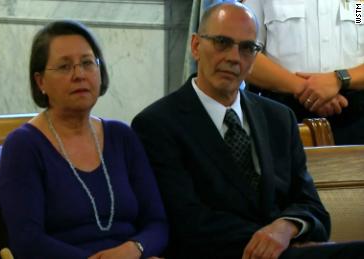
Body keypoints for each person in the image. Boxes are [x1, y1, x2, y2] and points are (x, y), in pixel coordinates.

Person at [132, 2, 364, 259]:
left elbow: (314, 210)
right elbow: (188, 222)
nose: (233, 57)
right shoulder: (158, 124)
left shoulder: (277, 120)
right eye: (221, 42)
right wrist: (275, 243)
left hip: (353, 113)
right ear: (196, 46)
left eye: (246, 48)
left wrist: (288, 228)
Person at [0, 20, 168, 259]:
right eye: (65, 67)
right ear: (40, 82)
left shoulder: (122, 137)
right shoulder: (24, 146)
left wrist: (135, 248)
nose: (79, 75)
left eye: (87, 63)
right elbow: (27, 240)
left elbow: (157, 223)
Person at [244, 0, 364, 144]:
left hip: (356, 117)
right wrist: (304, 87)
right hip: (283, 116)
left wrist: (339, 79)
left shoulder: (359, 6)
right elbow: (243, 52)